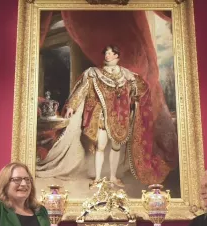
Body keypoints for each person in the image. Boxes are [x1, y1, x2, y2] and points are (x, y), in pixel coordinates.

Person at [36, 44, 175, 187]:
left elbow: (139, 91)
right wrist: (72, 106)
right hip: (102, 115)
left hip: (121, 116)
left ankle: (113, 177)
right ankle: (97, 178)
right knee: (100, 146)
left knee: (116, 147)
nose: (107, 55)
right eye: (106, 53)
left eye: (110, 53)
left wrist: (134, 93)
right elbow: (83, 89)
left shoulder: (127, 75)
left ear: (117, 56)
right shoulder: (95, 73)